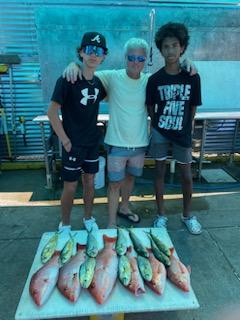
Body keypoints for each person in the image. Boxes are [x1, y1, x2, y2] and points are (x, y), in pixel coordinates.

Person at [63, 37, 196, 229]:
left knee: (131, 178)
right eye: (132, 57)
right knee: (114, 184)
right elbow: (88, 72)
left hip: (140, 144)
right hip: (117, 143)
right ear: (125, 58)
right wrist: (73, 64)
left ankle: (124, 207)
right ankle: (111, 223)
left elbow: (172, 74)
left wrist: (187, 62)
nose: (136, 62)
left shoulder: (150, 80)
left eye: (140, 59)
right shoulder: (112, 77)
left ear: (145, 60)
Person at [48, 32, 108, 232]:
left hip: (92, 142)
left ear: (103, 56)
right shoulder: (67, 79)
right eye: (89, 50)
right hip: (72, 144)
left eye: (98, 51)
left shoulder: (98, 83)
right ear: (81, 52)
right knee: (70, 186)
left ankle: (88, 218)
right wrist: (64, 140)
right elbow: (52, 112)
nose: (93, 54)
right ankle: (65, 223)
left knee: (90, 182)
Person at [146, 22, 202, 234]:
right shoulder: (155, 79)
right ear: (161, 50)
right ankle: (161, 216)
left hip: (183, 133)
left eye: (174, 45)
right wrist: (158, 123)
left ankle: (187, 215)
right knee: (158, 173)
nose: (170, 50)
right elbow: (150, 106)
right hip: (160, 132)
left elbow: (193, 106)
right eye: (166, 46)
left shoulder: (192, 76)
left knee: (186, 175)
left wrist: (185, 126)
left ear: (182, 47)